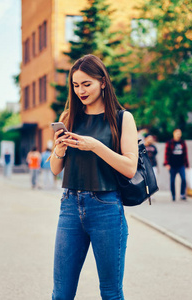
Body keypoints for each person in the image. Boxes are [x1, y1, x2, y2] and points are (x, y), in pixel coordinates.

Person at [50, 54, 138, 299]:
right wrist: (59, 149)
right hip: (69, 206)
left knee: (110, 292)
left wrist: (95, 146)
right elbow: (56, 169)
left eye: (86, 84)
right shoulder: (69, 118)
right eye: (75, 85)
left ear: (102, 82)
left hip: (106, 207)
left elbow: (130, 167)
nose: (80, 91)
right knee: (61, 293)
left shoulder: (122, 118)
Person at [164, 128, 189, 201]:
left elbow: (185, 154)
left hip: (181, 165)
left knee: (184, 179)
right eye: (177, 133)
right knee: (172, 180)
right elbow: (166, 154)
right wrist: (167, 164)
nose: (178, 135)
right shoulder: (170, 142)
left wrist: (187, 165)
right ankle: (173, 195)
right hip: (172, 165)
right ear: (174, 134)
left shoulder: (182, 142)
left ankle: (182, 194)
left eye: (179, 133)